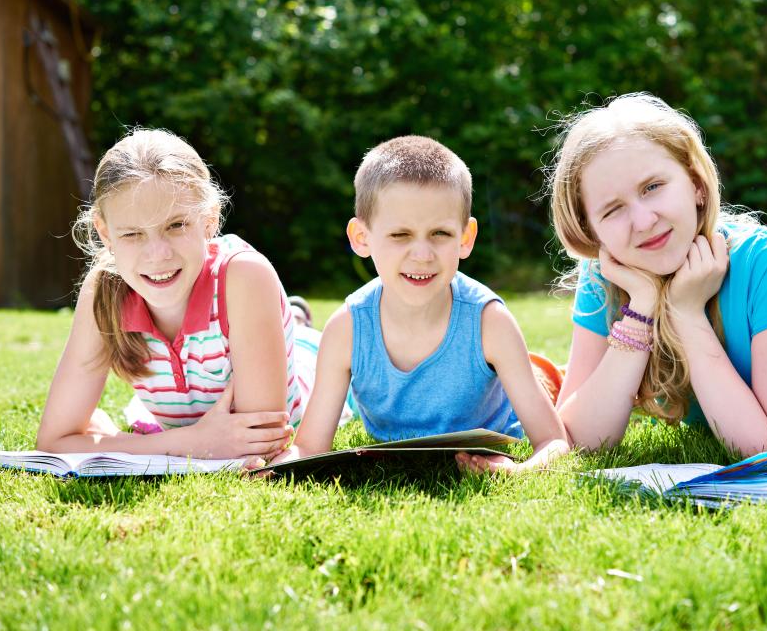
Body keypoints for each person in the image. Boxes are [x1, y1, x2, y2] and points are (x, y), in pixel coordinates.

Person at [547, 93, 767, 456]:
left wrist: (688, 313)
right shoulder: (605, 277)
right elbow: (578, 439)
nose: (644, 222)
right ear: (591, 230)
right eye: (613, 210)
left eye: (653, 187)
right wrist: (641, 308)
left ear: (695, 183)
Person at [270, 135, 571, 473]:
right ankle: (300, 325)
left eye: (440, 234)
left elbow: (555, 441)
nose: (423, 255)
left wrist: (520, 470)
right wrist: (276, 465)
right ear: (361, 238)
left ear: (465, 238)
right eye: (400, 235)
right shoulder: (348, 329)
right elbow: (310, 446)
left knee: (547, 379)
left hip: (524, 378)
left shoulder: (490, 322)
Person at [36, 128, 312, 468]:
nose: (157, 254)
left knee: (305, 348)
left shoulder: (244, 277)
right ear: (105, 233)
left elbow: (259, 444)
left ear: (209, 220)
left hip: (304, 365)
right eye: (133, 234)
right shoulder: (104, 292)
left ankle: (295, 319)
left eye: (176, 225)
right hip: (196, 407)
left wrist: (119, 443)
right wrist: (190, 441)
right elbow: (53, 441)